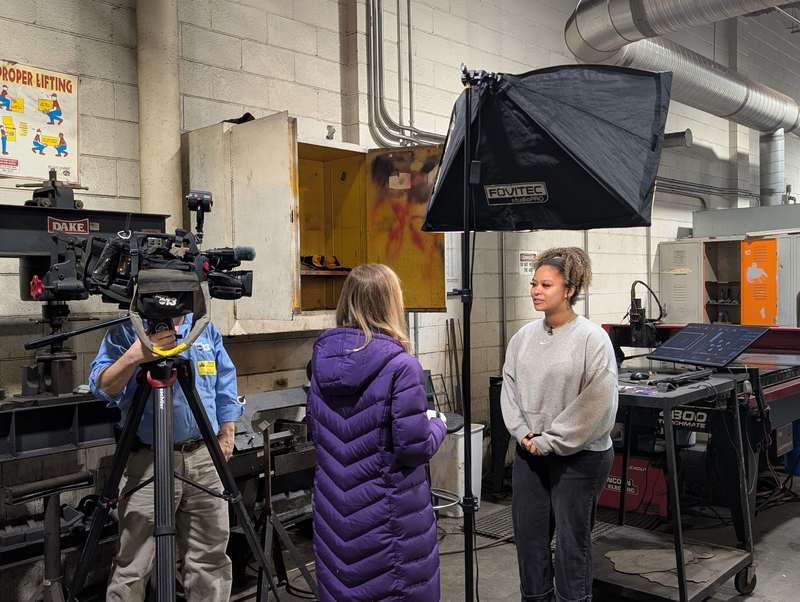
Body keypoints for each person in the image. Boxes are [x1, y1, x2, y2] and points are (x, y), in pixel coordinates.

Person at [306, 263, 447, 601]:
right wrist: (438, 425)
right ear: (390, 304)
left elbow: (319, 432)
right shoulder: (402, 367)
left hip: (334, 513)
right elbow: (414, 448)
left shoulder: (320, 361)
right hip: (388, 517)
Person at [89, 313, 243, 601]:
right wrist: (134, 356)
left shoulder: (203, 328)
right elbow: (103, 387)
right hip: (149, 461)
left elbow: (225, 381)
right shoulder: (128, 330)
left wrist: (228, 430)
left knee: (210, 558)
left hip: (204, 457)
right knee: (133, 564)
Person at [501, 247, 617, 602]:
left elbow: (596, 403)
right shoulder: (522, 338)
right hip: (530, 451)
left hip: (580, 457)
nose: (536, 290)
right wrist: (523, 434)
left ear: (569, 289)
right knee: (530, 542)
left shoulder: (592, 338)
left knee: (571, 545)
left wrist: (550, 440)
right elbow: (509, 389)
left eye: (546, 285)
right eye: (534, 283)